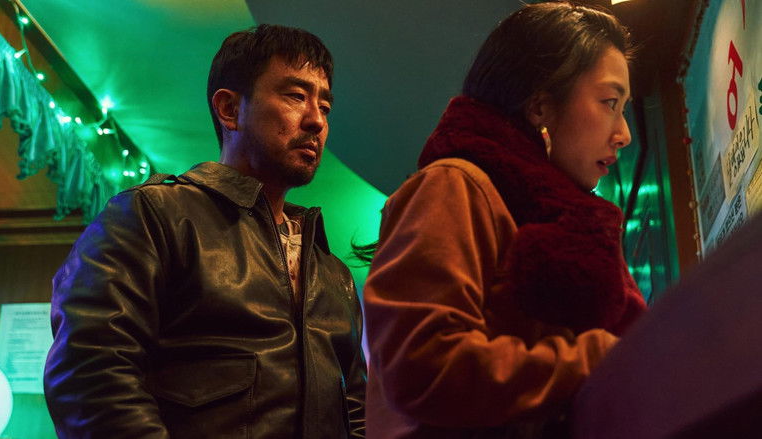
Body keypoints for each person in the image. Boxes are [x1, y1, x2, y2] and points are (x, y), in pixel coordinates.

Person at [43, 24, 366, 438]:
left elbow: (357, 410)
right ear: (229, 109)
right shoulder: (154, 215)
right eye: (295, 96)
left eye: (325, 105)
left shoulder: (332, 272)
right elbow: (90, 373)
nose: (316, 120)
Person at [362, 3, 647, 438]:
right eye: (610, 102)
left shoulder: (554, 213)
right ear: (540, 107)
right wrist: (597, 358)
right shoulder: (454, 186)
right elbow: (422, 367)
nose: (624, 133)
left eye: (624, 108)